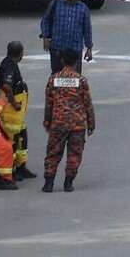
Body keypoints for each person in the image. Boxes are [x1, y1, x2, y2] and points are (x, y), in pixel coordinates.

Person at [41, 62, 95, 193]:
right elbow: (87, 103)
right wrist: (91, 123)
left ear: (62, 60)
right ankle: (68, 182)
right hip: (77, 123)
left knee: (53, 152)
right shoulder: (81, 80)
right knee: (74, 154)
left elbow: (49, 102)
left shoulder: (54, 79)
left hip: (58, 123)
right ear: (76, 62)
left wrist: (47, 120)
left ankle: (49, 183)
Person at [0, 40, 36, 180]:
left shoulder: (11, 64)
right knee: (11, 143)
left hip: (17, 115)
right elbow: (7, 86)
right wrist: (14, 103)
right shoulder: (9, 66)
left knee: (21, 140)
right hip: (11, 112)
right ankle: (11, 170)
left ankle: (21, 167)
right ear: (20, 53)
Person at [40, 0, 94, 72]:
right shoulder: (55, 4)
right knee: (56, 76)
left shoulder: (83, 9)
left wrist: (89, 48)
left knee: (75, 78)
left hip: (75, 50)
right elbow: (45, 20)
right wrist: (45, 37)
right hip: (57, 48)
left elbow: (87, 30)